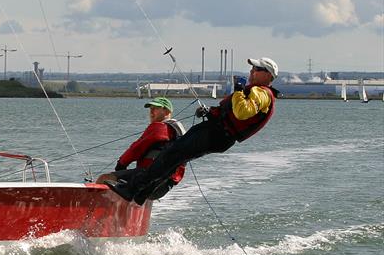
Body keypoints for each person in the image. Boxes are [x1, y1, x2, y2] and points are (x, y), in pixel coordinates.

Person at [112, 57, 280, 206]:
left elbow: (242, 112)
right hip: (218, 134)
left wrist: (237, 90)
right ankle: (142, 194)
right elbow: (235, 114)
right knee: (174, 158)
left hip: (217, 133)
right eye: (252, 68)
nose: (252, 71)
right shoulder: (258, 92)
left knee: (171, 154)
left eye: (256, 69)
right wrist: (211, 112)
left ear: (268, 75)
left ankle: (131, 190)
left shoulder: (262, 93)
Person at [97, 96, 187, 201]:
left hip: (149, 180)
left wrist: (121, 164)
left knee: (104, 178)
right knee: (124, 183)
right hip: (164, 185)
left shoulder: (160, 127)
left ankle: (93, 211)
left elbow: (136, 149)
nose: (151, 112)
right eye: (150, 109)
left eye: (156, 108)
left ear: (166, 112)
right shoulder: (178, 131)